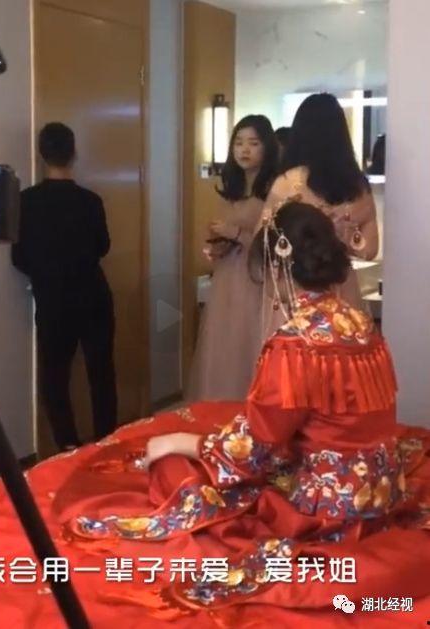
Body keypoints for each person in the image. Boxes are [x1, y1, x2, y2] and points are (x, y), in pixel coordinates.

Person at [43, 202, 430, 624]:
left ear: (278, 266)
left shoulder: (295, 343)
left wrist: (185, 442)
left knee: (176, 468)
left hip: (324, 509)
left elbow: (254, 451)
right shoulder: (360, 323)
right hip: (379, 489)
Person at [12, 122, 117, 450]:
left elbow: (18, 257)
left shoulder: (25, 202)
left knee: (55, 376)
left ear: (41, 155)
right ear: (74, 154)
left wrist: (45, 271)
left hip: (52, 299)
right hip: (93, 295)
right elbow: (103, 246)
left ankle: (68, 445)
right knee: (101, 372)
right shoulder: (90, 201)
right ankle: (107, 441)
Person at [260, 93, 379, 320]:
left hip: (298, 286)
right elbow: (369, 249)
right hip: (340, 285)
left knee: (298, 342)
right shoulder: (356, 185)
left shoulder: (287, 183)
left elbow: (264, 242)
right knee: (341, 339)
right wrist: (343, 235)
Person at [187, 115, 279, 401]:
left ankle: (252, 411)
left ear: (267, 147)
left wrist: (235, 233)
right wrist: (218, 246)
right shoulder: (231, 189)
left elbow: (272, 244)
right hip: (227, 275)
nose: (244, 150)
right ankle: (220, 411)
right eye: (238, 143)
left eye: (253, 143)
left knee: (249, 342)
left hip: (256, 279)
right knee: (223, 344)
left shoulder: (275, 190)